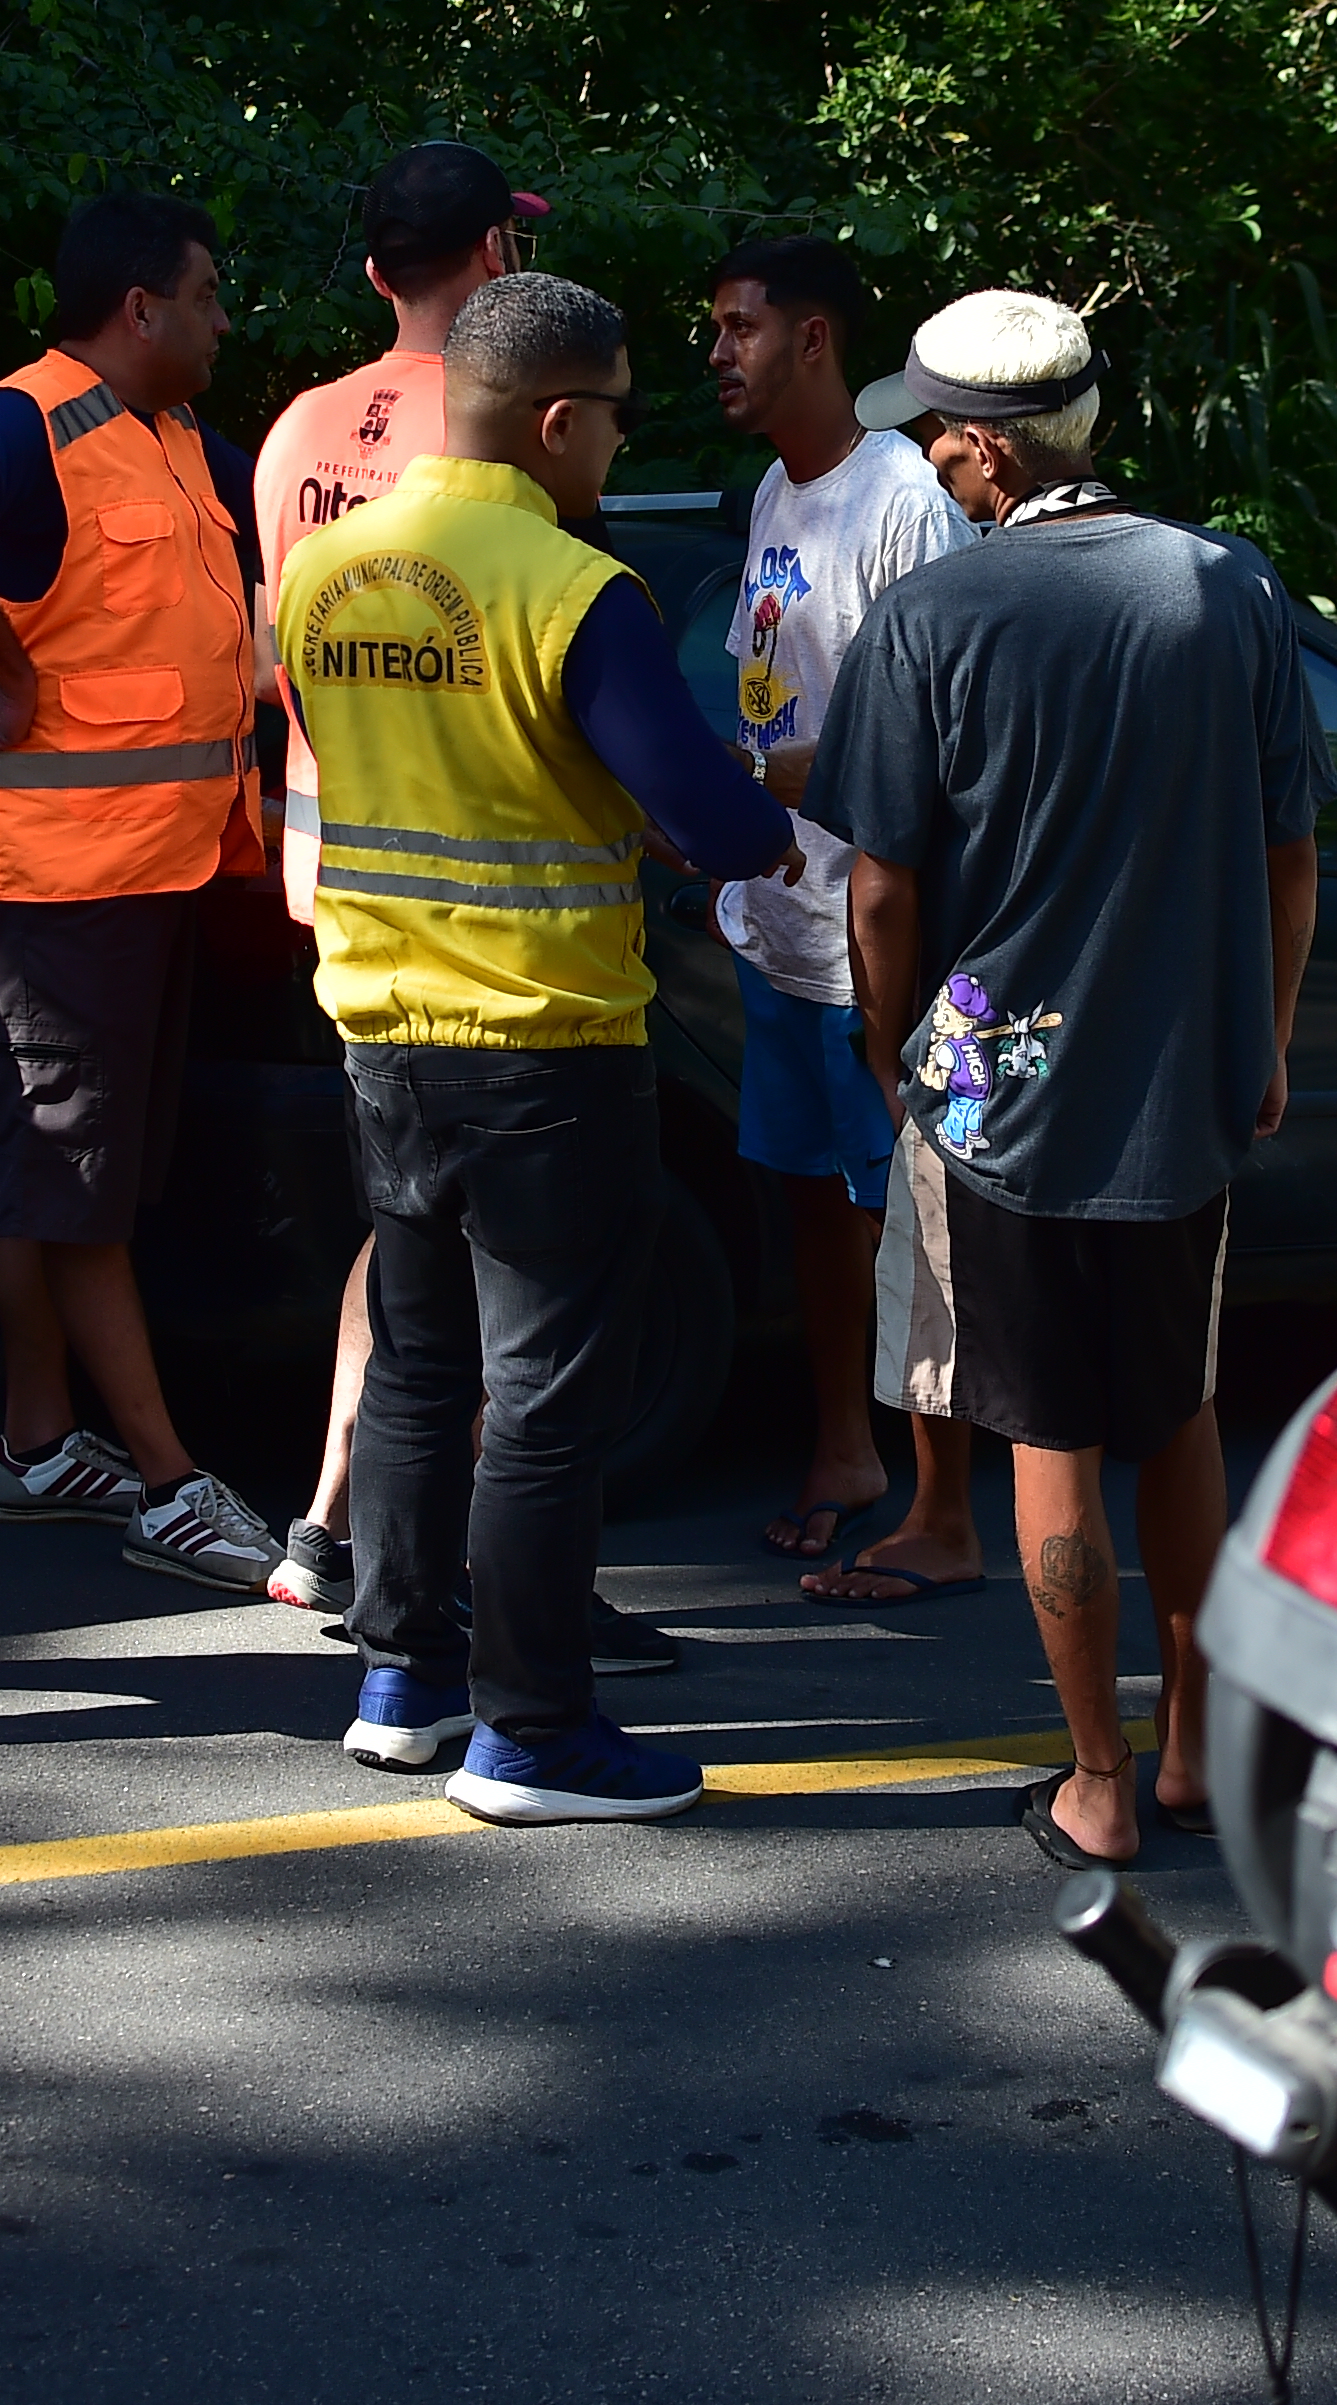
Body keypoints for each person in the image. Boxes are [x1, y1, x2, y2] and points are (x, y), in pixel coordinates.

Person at [804, 288, 1331, 1868]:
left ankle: (1096, 1781)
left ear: (984, 446)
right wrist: (1267, 1038)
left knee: (1050, 1437)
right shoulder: (1226, 587)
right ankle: (1193, 1757)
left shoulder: (936, 616)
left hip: (994, 1088)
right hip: (1184, 1079)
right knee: (1181, 1415)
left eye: (933, 436)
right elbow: (1291, 857)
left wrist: (890, 1045)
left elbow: (882, 889)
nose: (930, 460)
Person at [272, 270, 794, 1821]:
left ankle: (404, 1684)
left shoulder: (325, 568)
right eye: (619, 417)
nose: (621, 445)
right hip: (546, 1044)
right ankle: (535, 1732)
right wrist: (754, 802)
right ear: (561, 421)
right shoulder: (575, 590)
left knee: (419, 1373)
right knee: (548, 1402)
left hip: (382, 1031)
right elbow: (715, 824)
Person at [0, 198, 287, 1596]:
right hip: (46, 886)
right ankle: (168, 1483)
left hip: (133, 873)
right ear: (139, 308)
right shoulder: (30, 422)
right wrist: (8, 665)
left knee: (40, 1175)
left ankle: (38, 1443)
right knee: (76, 1191)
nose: (224, 321)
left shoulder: (176, 441)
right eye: (207, 296)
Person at [244, 140, 526, 1618]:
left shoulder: (296, 428)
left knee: (403, 1204)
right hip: (462, 872)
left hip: (327, 872)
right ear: (494, 258)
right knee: (475, 1223)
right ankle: (467, 1554)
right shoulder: (493, 427)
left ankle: (329, 1515)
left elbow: (268, 652)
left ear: (371, 272)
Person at [698, 234, 979, 1587]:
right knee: (815, 1201)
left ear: (814, 340)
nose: (717, 354)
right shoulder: (775, 487)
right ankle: (846, 1450)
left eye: (740, 328)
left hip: (878, 934)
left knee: (916, 1216)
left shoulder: (903, 503)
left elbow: (939, 736)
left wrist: (779, 780)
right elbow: (777, 696)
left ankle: (941, 1502)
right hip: (785, 922)